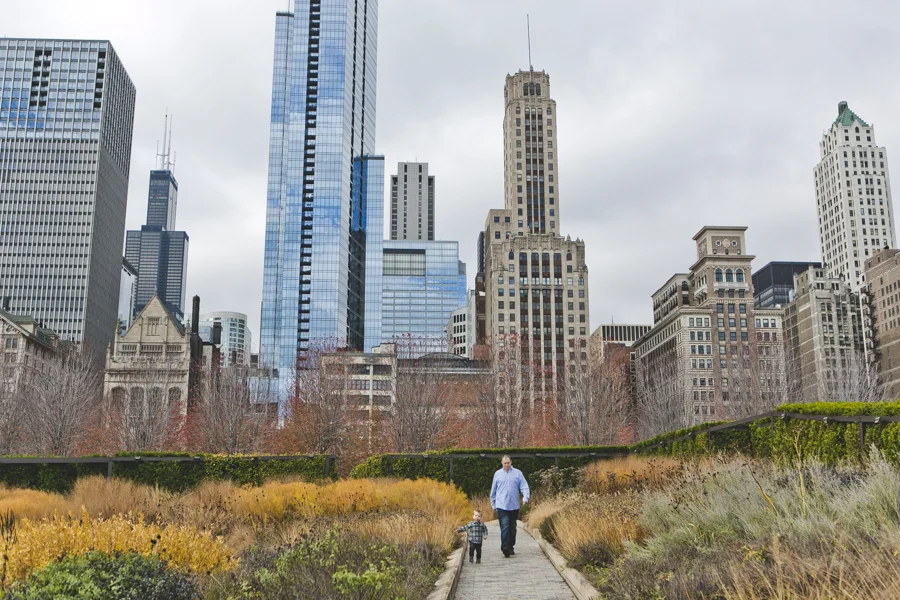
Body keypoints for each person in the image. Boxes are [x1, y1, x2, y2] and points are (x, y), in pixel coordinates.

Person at [489, 455, 530, 558]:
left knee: (512, 528)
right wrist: (493, 504)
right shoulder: (497, 474)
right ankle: (505, 548)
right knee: (505, 526)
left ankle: (511, 546)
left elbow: (524, 486)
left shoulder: (518, 473)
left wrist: (525, 498)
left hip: (514, 505)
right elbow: (493, 490)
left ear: (511, 462)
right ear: (501, 463)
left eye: (508, 463)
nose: (506, 465)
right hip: (502, 505)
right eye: (504, 463)